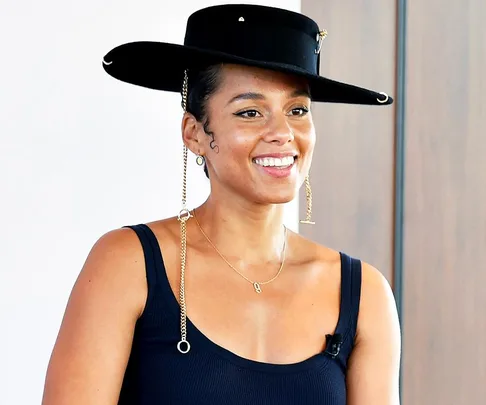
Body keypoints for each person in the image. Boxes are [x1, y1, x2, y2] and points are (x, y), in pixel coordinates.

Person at [41, 4, 401, 405]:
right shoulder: (127, 264)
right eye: (250, 112)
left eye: (297, 110)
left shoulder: (364, 294)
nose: (282, 133)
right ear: (194, 132)